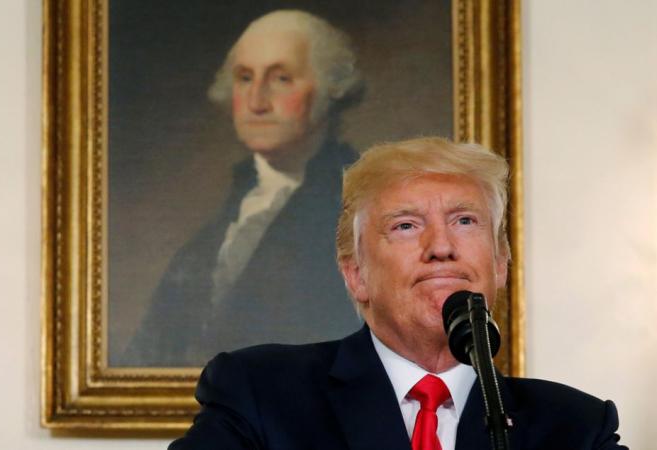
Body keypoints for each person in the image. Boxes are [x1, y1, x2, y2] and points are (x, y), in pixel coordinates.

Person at [169, 137, 628, 449]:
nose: (442, 247)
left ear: (501, 264)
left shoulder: (577, 428)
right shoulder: (261, 394)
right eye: (406, 226)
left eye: (465, 221)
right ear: (356, 274)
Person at [119, 10, 364, 366]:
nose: (256, 102)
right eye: (245, 78)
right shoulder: (220, 227)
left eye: (281, 78)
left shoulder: (357, 206)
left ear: (330, 89)